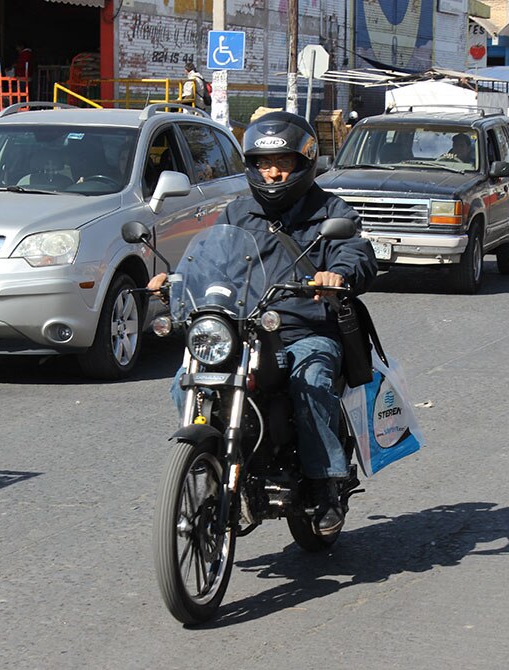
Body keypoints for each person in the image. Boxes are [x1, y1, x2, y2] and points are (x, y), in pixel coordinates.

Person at [148, 111, 378, 535]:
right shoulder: (238, 212)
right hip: (244, 328)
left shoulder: (330, 210)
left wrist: (337, 277)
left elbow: (356, 253)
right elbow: (212, 259)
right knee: (185, 379)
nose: (272, 172)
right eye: (262, 163)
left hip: (304, 330)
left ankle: (326, 484)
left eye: (283, 162)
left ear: (304, 162)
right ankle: (210, 467)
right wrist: (176, 280)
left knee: (310, 383)